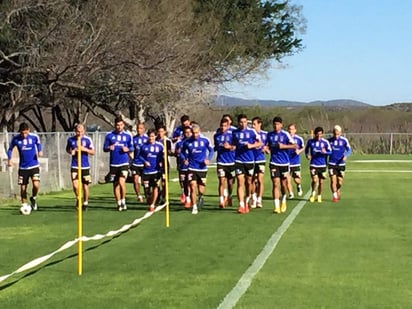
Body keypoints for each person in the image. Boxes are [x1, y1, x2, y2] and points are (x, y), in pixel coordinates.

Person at [7, 122, 43, 213]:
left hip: (34, 165)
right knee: (23, 188)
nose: (24, 135)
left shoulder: (34, 137)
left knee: (36, 185)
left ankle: (33, 198)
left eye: (26, 133)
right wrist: (9, 159)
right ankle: (24, 206)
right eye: (22, 133)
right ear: (20, 132)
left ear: (29, 130)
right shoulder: (16, 139)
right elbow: (10, 149)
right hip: (23, 168)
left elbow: (38, 144)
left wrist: (40, 151)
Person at [181, 123, 214, 215]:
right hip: (192, 167)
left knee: (201, 189)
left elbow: (211, 150)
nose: (195, 135)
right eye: (193, 133)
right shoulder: (187, 142)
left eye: (196, 133)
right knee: (192, 185)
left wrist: (208, 159)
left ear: (199, 132)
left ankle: (201, 197)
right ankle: (194, 206)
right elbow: (182, 152)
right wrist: (184, 159)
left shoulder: (205, 140)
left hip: (202, 168)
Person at [231, 114, 261, 214]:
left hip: (249, 160)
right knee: (240, 182)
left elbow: (259, 143)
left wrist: (251, 145)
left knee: (249, 182)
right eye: (241, 122)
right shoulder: (234, 132)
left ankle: (247, 199)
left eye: (245, 122)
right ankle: (241, 205)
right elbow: (233, 144)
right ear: (238, 122)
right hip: (239, 160)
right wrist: (231, 147)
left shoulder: (252, 131)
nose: (243, 124)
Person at [266, 116, 296, 214]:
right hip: (274, 162)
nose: (276, 126)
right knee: (275, 183)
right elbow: (266, 145)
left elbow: (294, 145)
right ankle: (276, 206)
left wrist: (284, 146)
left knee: (283, 184)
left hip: (284, 163)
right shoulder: (269, 135)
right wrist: (266, 149)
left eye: (278, 124)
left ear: (281, 125)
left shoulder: (285, 134)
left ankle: (283, 198)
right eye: (274, 124)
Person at [103, 117, 134, 211]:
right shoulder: (109, 135)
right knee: (115, 184)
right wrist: (109, 148)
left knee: (122, 182)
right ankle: (118, 203)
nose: (119, 127)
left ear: (123, 125)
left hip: (124, 162)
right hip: (113, 164)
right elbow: (104, 148)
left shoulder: (128, 136)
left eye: (121, 125)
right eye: (117, 125)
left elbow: (132, 148)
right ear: (115, 125)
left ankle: (123, 200)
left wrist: (127, 149)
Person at [66, 124, 95, 210]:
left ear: (84, 131)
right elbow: (68, 149)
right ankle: (78, 198)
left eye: (81, 131)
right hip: (75, 165)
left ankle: (85, 202)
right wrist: (72, 151)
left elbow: (93, 152)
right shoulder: (71, 140)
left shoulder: (87, 139)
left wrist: (84, 149)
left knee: (85, 186)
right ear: (75, 131)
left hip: (85, 166)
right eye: (78, 131)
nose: (79, 133)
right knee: (75, 185)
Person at [138, 129, 164, 212]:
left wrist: (160, 162)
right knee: (146, 189)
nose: (151, 138)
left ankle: (153, 204)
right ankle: (149, 198)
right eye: (149, 136)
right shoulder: (144, 146)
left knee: (155, 187)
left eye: (152, 136)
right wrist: (144, 161)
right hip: (146, 171)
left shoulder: (159, 146)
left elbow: (162, 156)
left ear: (155, 136)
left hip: (156, 171)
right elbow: (140, 156)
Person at [305, 126, 332, 203]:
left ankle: (319, 195)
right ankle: (313, 193)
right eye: (317, 134)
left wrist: (325, 152)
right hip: (313, 164)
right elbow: (306, 150)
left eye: (320, 134)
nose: (319, 136)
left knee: (321, 182)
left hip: (322, 165)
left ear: (322, 134)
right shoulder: (310, 142)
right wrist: (307, 155)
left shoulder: (325, 142)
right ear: (315, 134)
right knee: (314, 180)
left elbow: (330, 152)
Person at [213, 117, 235, 209]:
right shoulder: (216, 136)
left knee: (230, 183)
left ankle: (229, 195)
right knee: (222, 181)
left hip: (232, 162)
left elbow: (235, 146)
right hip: (221, 161)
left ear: (228, 126)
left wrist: (229, 147)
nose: (223, 128)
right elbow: (216, 147)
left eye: (225, 126)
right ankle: (221, 200)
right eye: (222, 126)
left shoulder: (232, 135)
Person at [328, 125, 352, 202]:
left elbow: (349, 150)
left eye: (338, 134)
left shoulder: (344, 140)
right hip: (332, 163)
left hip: (341, 164)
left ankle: (337, 189)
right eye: (335, 134)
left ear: (340, 133)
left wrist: (346, 156)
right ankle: (334, 196)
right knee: (332, 180)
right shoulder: (329, 141)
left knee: (340, 182)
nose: (336, 135)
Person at [251, 116, 268, 208]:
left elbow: (269, 144)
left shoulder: (265, 134)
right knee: (252, 180)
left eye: (255, 124)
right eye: (252, 124)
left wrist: (267, 148)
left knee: (260, 179)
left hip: (261, 159)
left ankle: (259, 199)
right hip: (251, 160)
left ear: (259, 124)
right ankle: (253, 198)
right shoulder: (250, 134)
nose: (253, 126)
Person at [174, 126, 192, 207]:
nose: (188, 134)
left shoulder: (193, 142)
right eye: (186, 132)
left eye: (189, 132)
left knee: (191, 182)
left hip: (192, 166)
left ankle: (193, 197)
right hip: (183, 166)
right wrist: (184, 159)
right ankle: (187, 198)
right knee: (184, 182)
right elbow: (178, 153)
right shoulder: (179, 143)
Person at [287, 123, 305, 198]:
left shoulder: (299, 139)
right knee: (287, 179)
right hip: (286, 162)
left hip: (295, 162)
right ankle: (291, 193)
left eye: (292, 129)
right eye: (289, 129)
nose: (291, 131)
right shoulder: (285, 138)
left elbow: (303, 147)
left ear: (295, 130)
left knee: (296, 179)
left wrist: (299, 151)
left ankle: (299, 186)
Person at [131, 122, 148, 203]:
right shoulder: (134, 139)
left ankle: (147, 194)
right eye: (138, 128)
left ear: (144, 129)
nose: (139, 130)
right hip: (136, 163)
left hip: (144, 163)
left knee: (144, 182)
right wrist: (132, 158)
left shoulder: (147, 139)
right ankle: (139, 195)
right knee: (135, 180)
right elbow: (131, 150)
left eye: (141, 128)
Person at [156, 125, 173, 204]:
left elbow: (170, 152)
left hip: (164, 164)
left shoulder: (167, 141)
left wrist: (170, 152)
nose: (160, 133)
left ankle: (163, 196)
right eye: (159, 132)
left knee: (164, 182)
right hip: (155, 164)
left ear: (165, 132)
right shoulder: (154, 140)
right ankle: (157, 194)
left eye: (162, 131)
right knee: (155, 182)